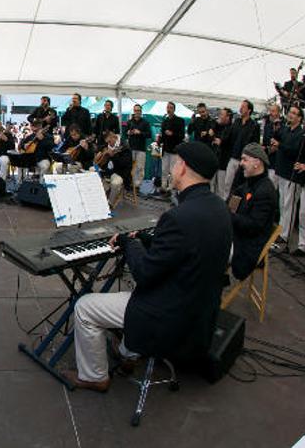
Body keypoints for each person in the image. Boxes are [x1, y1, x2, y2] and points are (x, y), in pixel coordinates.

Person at [64, 142, 232, 391]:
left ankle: (94, 376)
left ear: (183, 167)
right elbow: (185, 250)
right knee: (130, 288)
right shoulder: (219, 208)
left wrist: (126, 242)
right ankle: (128, 354)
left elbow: (144, 274)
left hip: (167, 313)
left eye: (175, 164)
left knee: (85, 307)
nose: (172, 168)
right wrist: (144, 239)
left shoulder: (178, 216)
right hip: (198, 312)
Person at [229, 144, 280, 280]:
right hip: (238, 238)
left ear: (257, 162)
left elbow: (254, 226)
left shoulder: (264, 191)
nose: (241, 163)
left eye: (245, 159)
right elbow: (232, 201)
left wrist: (229, 216)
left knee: (207, 249)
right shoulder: (250, 183)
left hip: (246, 248)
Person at [274, 106, 305, 254]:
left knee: (289, 206)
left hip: (292, 174)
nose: (290, 115)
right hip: (282, 171)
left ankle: (285, 235)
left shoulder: (301, 134)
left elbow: (295, 151)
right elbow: (276, 136)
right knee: (282, 205)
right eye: (290, 112)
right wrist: (276, 126)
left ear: (300, 118)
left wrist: (280, 145)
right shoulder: (286, 129)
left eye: (294, 113)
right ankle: (281, 232)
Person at [223, 100, 261, 198]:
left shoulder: (254, 125)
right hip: (233, 157)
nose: (241, 108)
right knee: (227, 183)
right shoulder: (236, 122)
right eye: (241, 106)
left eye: (243, 107)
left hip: (245, 160)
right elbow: (229, 138)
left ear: (249, 110)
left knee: (239, 186)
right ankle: (225, 204)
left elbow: (254, 144)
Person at [97, 132, 132, 207]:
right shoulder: (108, 146)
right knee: (93, 174)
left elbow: (124, 164)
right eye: (107, 142)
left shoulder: (125, 147)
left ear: (114, 138)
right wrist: (102, 156)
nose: (108, 144)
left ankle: (110, 203)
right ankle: (105, 193)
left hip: (121, 173)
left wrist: (113, 156)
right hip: (108, 172)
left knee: (115, 183)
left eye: (109, 141)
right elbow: (102, 164)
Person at [159, 102, 185, 193]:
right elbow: (162, 134)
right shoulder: (164, 121)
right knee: (164, 169)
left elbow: (182, 136)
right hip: (165, 149)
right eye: (167, 107)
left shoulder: (180, 120)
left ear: (174, 109)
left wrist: (172, 134)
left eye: (170, 108)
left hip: (174, 150)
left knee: (172, 170)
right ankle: (163, 185)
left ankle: (171, 187)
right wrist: (159, 141)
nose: (168, 109)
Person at [125, 103, 151, 186]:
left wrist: (140, 132)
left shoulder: (145, 122)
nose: (137, 112)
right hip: (131, 147)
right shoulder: (129, 122)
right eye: (135, 110)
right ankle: (129, 183)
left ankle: (137, 185)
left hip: (141, 148)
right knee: (130, 167)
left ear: (141, 111)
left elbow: (149, 135)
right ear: (133, 111)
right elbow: (125, 134)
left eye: (139, 110)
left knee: (140, 168)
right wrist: (128, 132)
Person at [211, 108, 234, 196]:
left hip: (224, 162)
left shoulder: (232, 128)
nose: (220, 116)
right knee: (212, 184)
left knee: (221, 187)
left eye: (222, 115)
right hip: (215, 159)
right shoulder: (218, 126)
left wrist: (221, 142)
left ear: (228, 117)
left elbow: (228, 143)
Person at [261, 104, 284, 187]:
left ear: (279, 113)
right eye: (270, 111)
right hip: (266, 162)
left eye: (273, 111)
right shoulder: (267, 126)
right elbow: (264, 143)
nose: (270, 113)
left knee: (271, 188)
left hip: (276, 164)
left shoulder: (283, 126)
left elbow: (280, 145)